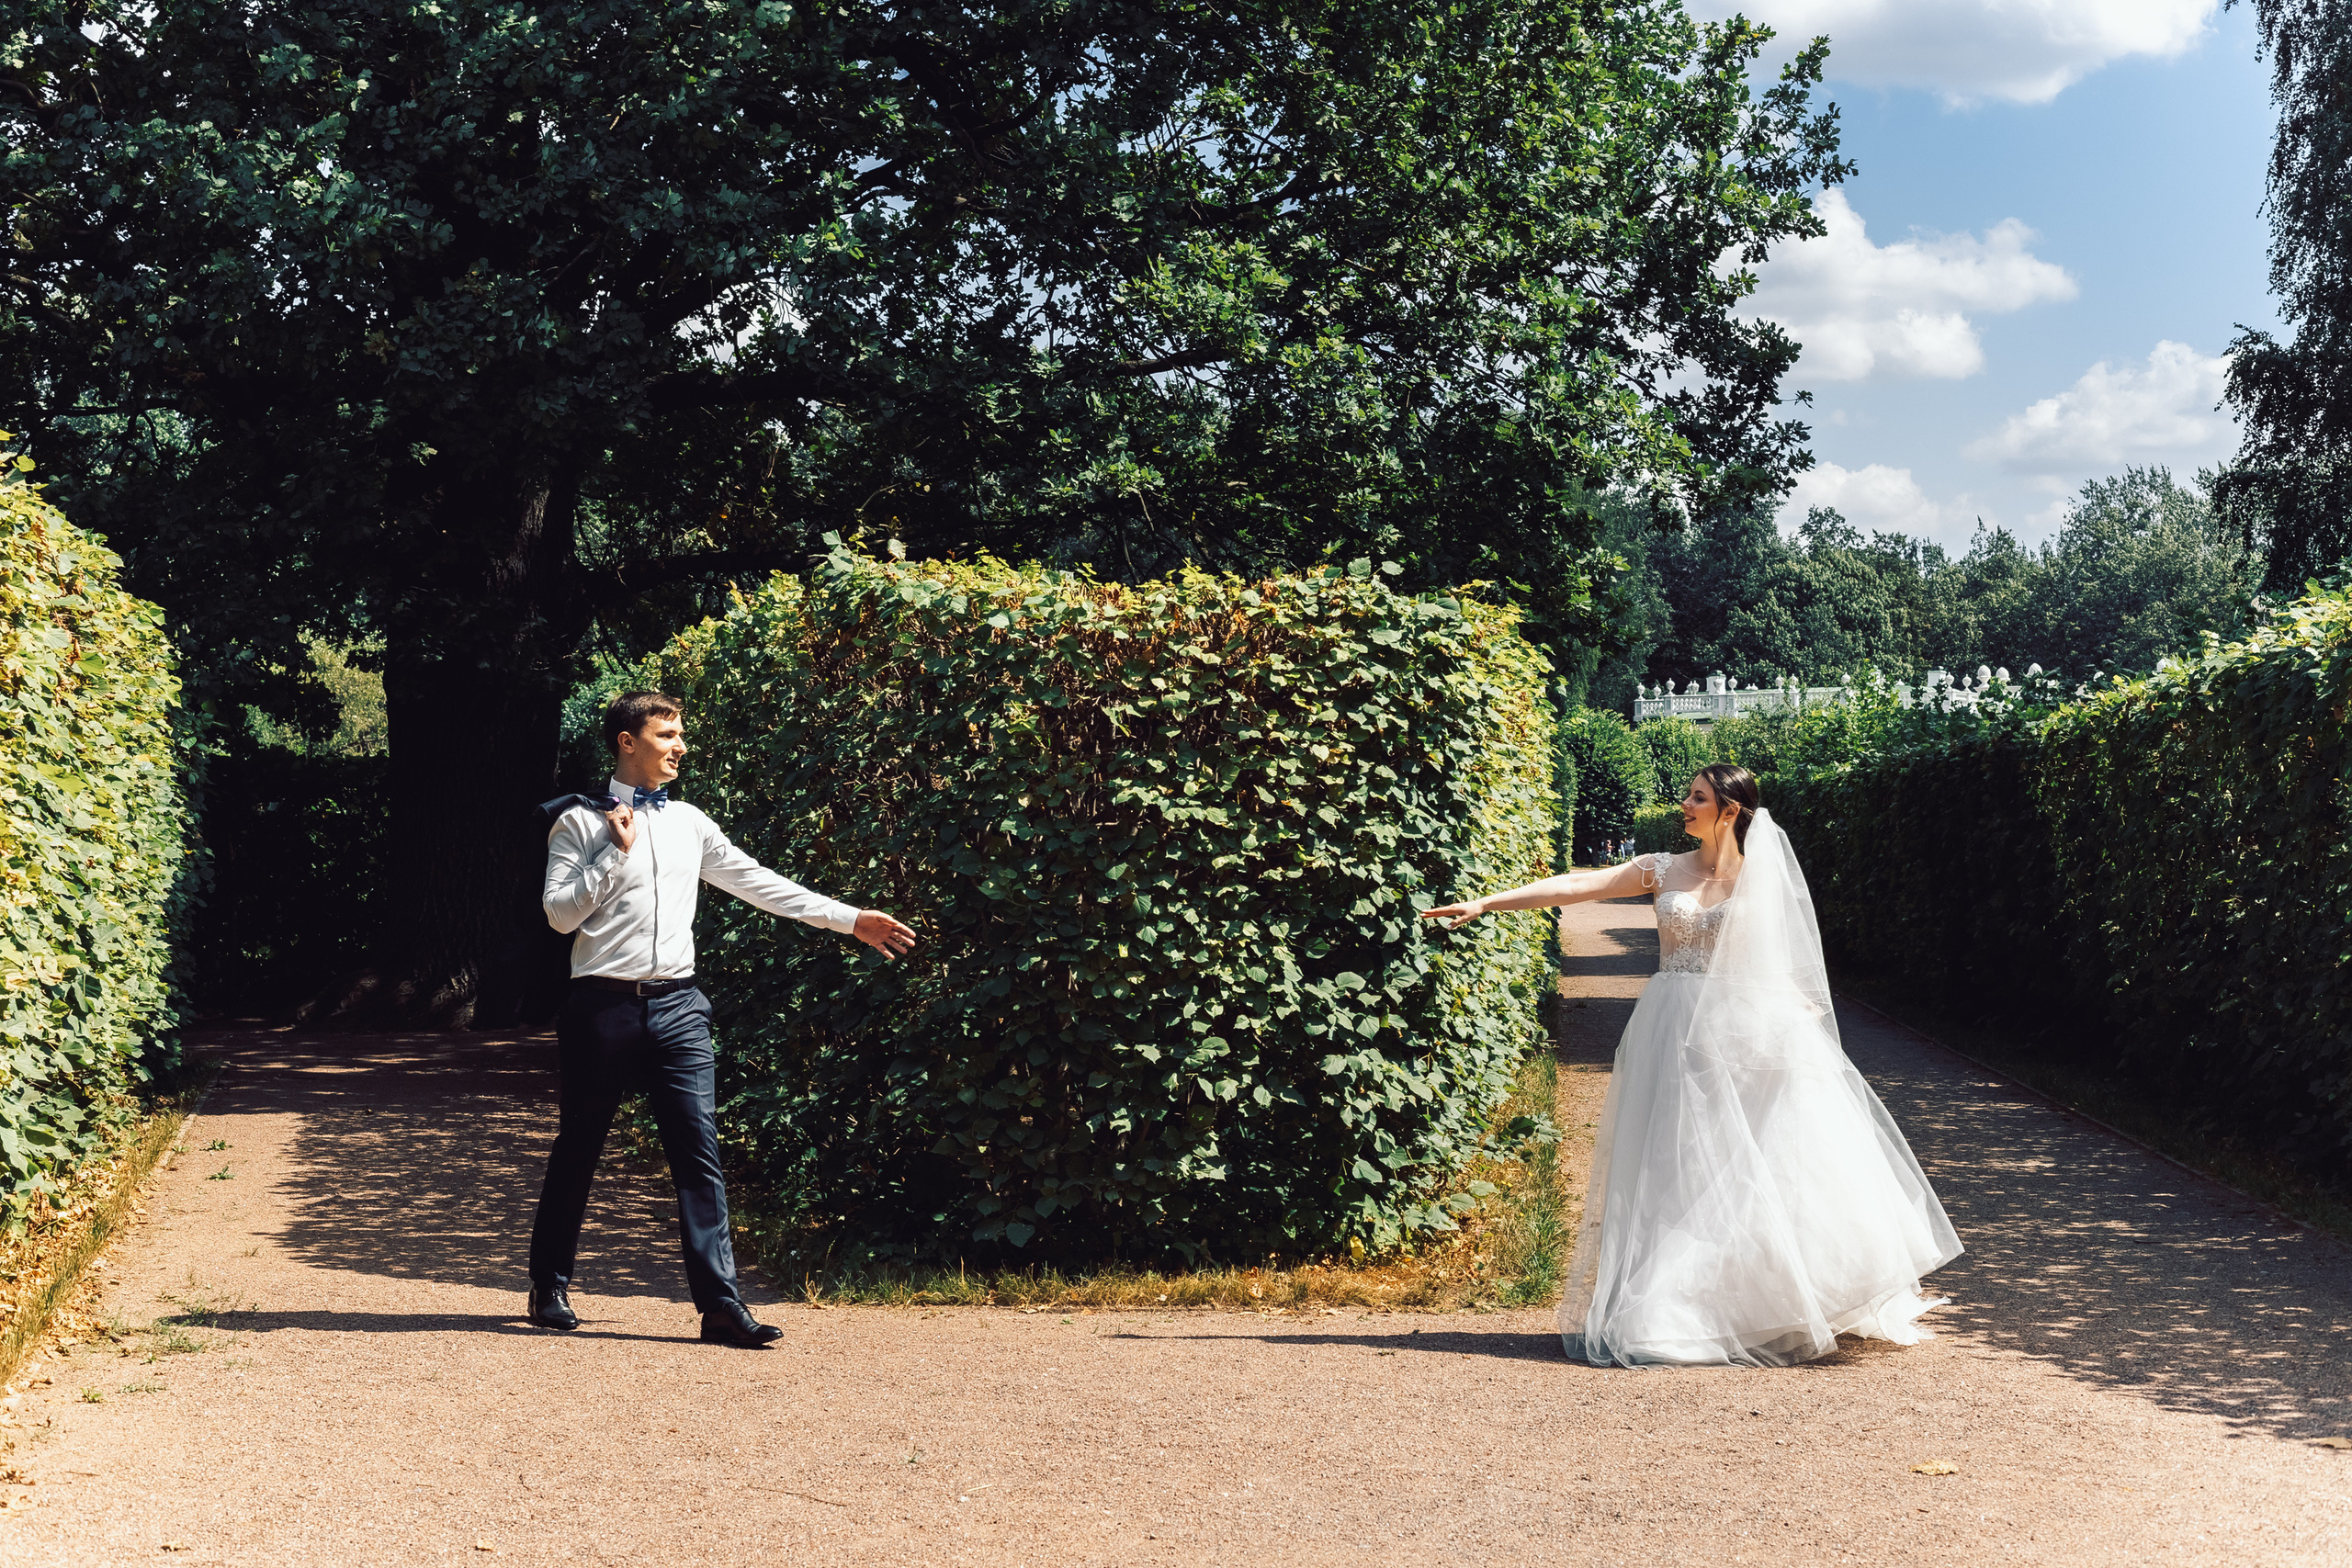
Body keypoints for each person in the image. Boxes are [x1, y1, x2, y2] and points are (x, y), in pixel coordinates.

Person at [1421, 763, 1961, 1368]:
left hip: (1744, 1028)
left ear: (1729, 810)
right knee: (1673, 1156)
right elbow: (1579, 886)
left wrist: (1794, 1010)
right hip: (1672, 1026)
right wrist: (1487, 902)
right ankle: (1671, 1307)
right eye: (1687, 795)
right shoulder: (1661, 868)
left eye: (1697, 797)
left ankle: (1759, 1300)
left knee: (1747, 1160)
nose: (1684, 804)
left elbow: (1776, 959)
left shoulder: (1762, 876)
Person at [528, 691, 918, 1346]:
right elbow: (560, 916)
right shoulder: (578, 822)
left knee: (698, 1152)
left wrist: (850, 919)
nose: (680, 746)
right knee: (580, 1147)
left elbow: (757, 881)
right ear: (627, 741)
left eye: (680, 734)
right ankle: (549, 1284)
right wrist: (614, 852)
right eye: (667, 734)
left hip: (680, 1007)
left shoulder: (690, 822)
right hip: (601, 1006)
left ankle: (720, 1307)